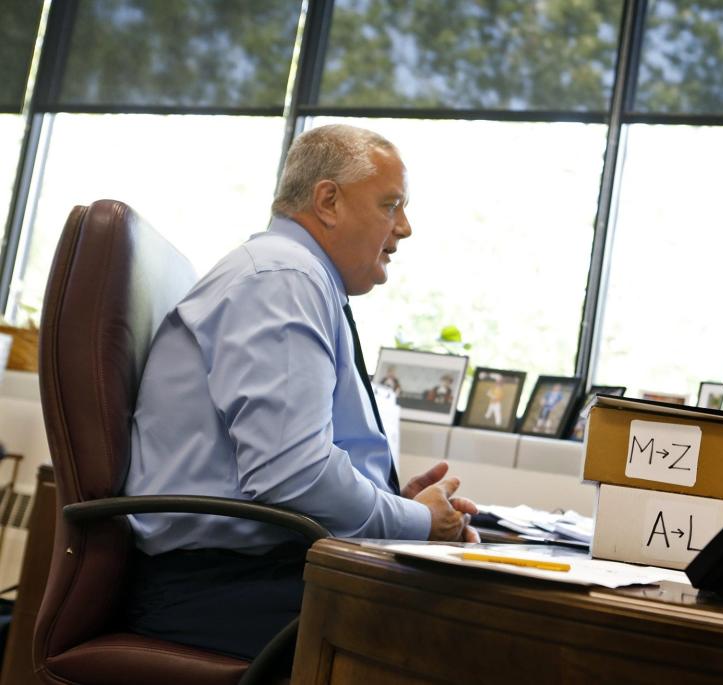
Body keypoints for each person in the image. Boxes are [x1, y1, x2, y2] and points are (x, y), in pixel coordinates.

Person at [123, 124, 478, 661]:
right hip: (216, 588)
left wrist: (392, 506)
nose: (404, 227)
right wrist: (420, 523)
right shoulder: (282, 277)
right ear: (328, 200)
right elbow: (292, 473)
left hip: (248, 572)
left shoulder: (292, 276)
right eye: (391, 205)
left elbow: (288, 466)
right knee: (481, 627)